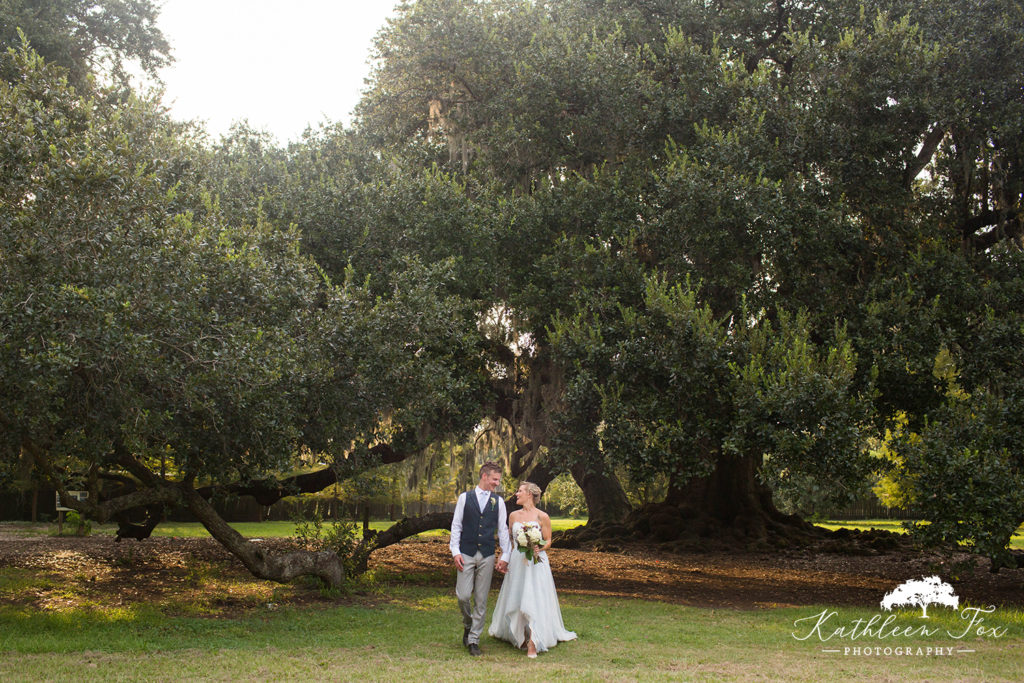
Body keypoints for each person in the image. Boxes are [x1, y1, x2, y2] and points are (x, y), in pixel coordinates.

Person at [489, 481, 577, 657]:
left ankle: (533, 642)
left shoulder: (542, 516)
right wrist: (503, 557)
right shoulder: (513, 515)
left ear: (529, 494)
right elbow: (510, 542)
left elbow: (549, 540)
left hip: (536, 563)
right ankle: (520, 634)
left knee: (534, 597)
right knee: (517, 596)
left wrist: (539, 547)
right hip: (517, 562)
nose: (516, 494)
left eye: (520, 491)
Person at [450, 461, 512, 656]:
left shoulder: (498, 502)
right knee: (463, 595)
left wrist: (505, 554)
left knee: (481, 599)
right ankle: (468, 624)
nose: (497, 484)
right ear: (484, 476)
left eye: (498, 480)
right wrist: (455, 551)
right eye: (495, 479)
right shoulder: (464, 498)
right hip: (466, 552)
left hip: (487, 554)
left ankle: (474, 639)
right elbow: (456, 525)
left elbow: (502, 530)